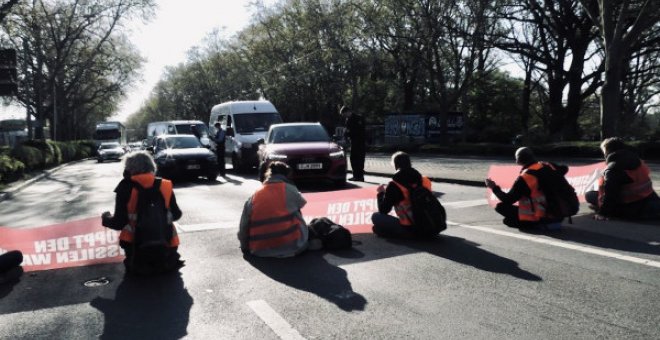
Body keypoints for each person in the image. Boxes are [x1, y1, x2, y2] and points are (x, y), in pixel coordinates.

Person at [102, 151, 184, 275]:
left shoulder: (125, 187)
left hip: (136, 249)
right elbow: (177, 215)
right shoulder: (165, 185)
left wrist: (105, 218)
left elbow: (119, 222)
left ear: (129, 168)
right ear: (151, 165)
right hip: (167, 247)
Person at [238, 161, 315, 257]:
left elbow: (244, 224)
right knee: (295, 211)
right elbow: (301, 203)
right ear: (287, 175)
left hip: (259, 249)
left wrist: (244, 246)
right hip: (291, 246)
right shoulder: (289, 189)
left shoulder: (256, 195)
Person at [485, 147, 564, 229]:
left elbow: (508, 199)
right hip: (559, 214)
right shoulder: (547, 167)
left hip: (541, 216)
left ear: (518, 160)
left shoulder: (526, 177)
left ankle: (537, 224)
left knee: (503, 211)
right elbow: (564, 169)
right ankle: (548, 221)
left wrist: (494, 187)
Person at [585, 137, 660, 221]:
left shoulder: (613, 169)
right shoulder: (638, 161)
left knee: (589, 195)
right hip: (650, 199)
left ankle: (604, 209)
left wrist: (603, 213)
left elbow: (611, 194)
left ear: (607, 151)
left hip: (630, 207)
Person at [371, 151, 434, 238]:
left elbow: (383, 210)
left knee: (376, 217)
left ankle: (402, 234)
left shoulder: (394, 185)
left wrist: (381, 193)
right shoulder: (425, 180)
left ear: (395, 165)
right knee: (378, 227)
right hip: (431, 225)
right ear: (410, 163)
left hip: (411, 228)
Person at [340, 106, 366, 181]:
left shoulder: (358, 118)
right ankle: (356, 175)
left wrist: (349, 132)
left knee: (360, 159)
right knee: (353, 159)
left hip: (360, 141)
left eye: (344, 114)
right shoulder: (348, 120)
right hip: (353, 141)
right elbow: (347, 130)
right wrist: (346, 134)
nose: (344, 116)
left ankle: (360, 176)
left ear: (348, 111)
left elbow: (359, 130)